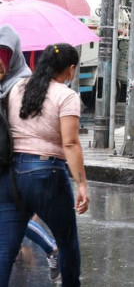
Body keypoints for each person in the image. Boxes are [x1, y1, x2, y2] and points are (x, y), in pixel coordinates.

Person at [0, 43, 89, 286]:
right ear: (70, 70)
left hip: (9, 176)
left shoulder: (17, 87)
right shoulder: (66, 96)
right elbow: (70, 144)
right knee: (67, 241)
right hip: (45, 174)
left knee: (4, 250)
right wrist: (82, 184)